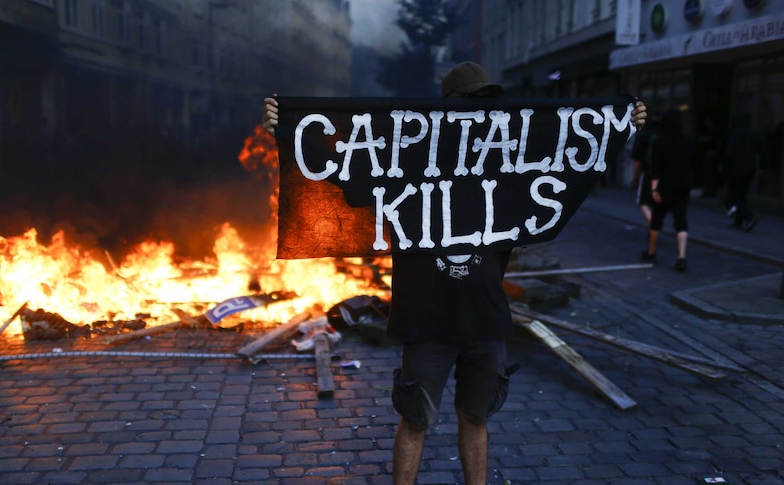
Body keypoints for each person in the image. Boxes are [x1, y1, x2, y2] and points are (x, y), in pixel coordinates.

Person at [262, 62, 647, 485]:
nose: (476, 110)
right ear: (444, 109)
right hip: (427, 321)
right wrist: (289, 129)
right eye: (468, 102)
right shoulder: (405, 161)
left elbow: (566, 161)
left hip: (484, 321)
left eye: (483, 102)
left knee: (475, 418)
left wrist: (619, 128)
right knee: (415, 422)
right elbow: (345, 166)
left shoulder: (505, 163)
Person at [642, 109, 693, 272]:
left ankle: (651, 252)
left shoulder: (659, 141)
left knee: (657, 220)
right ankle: (681, 257)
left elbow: (655, 168)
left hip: (664, 185)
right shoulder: (687, 141)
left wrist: (654, 189)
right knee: (681, 220)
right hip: (682, 185)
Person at [721, 113, 762, 232]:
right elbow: (761, 149)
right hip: (750, 168)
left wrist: (724, 164)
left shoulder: (736, 134)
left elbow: (730, 152)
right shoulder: (754, 134)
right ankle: (739, 219)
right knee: (742, 194)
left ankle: (749, 216)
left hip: (736, 168)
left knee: (735, 195)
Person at [630, 111, 662, 225]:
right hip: (666, 172)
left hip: (649, 171)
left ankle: (654, 226)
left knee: (642, 201)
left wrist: (634, 175)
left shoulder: (645, 134)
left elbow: (637, 158)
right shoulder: (665, 133)